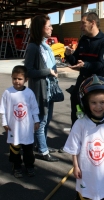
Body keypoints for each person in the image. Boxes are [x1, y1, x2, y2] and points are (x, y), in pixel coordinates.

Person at [63, 75, 104, 200]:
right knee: (85, 195)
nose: (98, 107)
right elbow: (74, 149)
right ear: (85, 102)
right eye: (93, 102)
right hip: (85, 173)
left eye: (102, 102)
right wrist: (75, 166)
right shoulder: (80, 124)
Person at [64, 12, 104, 126]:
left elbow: (101, 65)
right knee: (77, 114)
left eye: (83, 23)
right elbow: (75, 60)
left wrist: (85, 65)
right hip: (82, 82)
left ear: (92, 23)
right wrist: (68, 55)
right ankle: (76, 138)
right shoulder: (83, 39)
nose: (81, 26)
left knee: (93, 116)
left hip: (97, 84)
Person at [25, 14, 59, 162]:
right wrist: (47, 72)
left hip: (49, 89)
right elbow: (28, 71)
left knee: (48, 118)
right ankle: (43, 151)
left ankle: (41, 145)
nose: (51, 28)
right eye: (48, 26)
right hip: (40, 90)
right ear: (40, 28)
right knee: (41, 119)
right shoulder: (33, 47)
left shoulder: (46, 46)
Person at [0, 65, 40, 178]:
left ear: (26, 80)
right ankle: (16, 166)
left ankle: (29, 166)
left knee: (28, 150)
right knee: (15, 149)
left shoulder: (29, 93)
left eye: (20, 79)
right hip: (13, 127)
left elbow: (34, 108)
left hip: (26, 128)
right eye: (14, 78)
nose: (16, 81)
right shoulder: (8, 93)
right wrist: (4, 123)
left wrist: (36, 121)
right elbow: (3, 109)